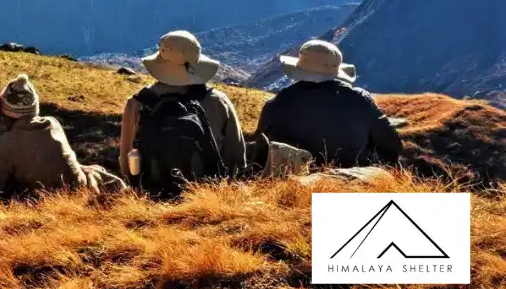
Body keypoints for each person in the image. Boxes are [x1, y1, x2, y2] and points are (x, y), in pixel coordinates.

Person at [119, 30, 246, 197]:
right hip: (207, 200)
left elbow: (126, 163)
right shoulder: (217, 101)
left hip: (150, 196)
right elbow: (236, 159)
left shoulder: (137, 103)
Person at [254, 40, 402, 168]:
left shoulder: (278, 103)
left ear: (300, 69)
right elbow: (392, 145)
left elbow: (260, 150)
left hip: (293, 184)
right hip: (351, 184)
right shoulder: (360, 100)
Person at [0, 74, 125, 198]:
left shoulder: (3, 145)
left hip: (49, 203)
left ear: (4, 114)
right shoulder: (52, 124)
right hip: (83, 189)